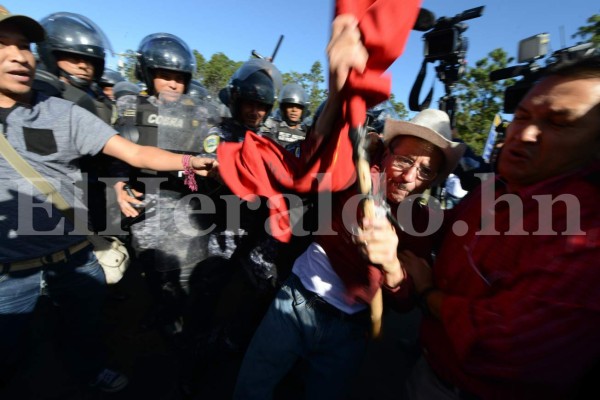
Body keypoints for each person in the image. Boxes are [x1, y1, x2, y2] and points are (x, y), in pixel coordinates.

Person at [232, 14, 466, 399]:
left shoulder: (423, 221)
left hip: (351, 331)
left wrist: (391, 263)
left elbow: (406, 301)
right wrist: (341, 88)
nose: (410, 177)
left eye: (425, 172)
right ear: (387, 153)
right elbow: (320, 144)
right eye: (405, 161)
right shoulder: (354, 172)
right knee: (251, 389)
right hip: (295, 302)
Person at [0, 9, 216, 395]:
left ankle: (89, 370)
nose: (17, 56)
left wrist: (189, 162)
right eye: (2, 46)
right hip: (8, 272)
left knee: (86, 330)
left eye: (23, 46)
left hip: (74, 257)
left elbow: (134, 154)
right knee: (10, 352)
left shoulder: (63, 111)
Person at [402, 55, 600, 399]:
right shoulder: (496, 187)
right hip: (431, 368)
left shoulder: (586, 230)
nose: (525, 133)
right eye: (521, 116)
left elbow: (505, 346)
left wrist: (427, 292)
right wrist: (388, 214)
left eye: (560, 123)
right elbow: (447, 228)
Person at [111, 32, 208, 340]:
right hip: (147, 207)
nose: (172, 84)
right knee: (153, 270)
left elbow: (206, 155)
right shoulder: (131, 107)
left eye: (179, 77)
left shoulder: (198, 114)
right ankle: (162, 310)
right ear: (147, 74)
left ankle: (178, 322)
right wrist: (118, 183)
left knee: (187, 272)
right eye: (164, 75)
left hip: (186, 206)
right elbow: (116, 152)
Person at [263, 82, 309, 156]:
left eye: (298, 107)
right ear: (283, 108)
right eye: (290, 106)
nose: (294, 110)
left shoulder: (307, 132)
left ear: (303, 110)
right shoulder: (271, 127)